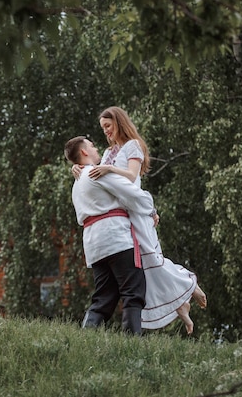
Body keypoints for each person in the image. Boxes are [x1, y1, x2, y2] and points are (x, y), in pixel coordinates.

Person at [73, 106, 206, 335]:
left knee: (151, 261)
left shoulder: (132, 146)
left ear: (119, 123)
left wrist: (106, 169)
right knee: (141, 273)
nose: (105, 132)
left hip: (133, 212)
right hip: (123, 216)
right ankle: (181, 302)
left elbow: (131, 177)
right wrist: (83, 167)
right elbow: (100, 179)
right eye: (102, 128)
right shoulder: (106, 155)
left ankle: (188, 288)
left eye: (108, 126)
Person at [64, 135, 155, 335]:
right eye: (92, 145)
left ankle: (86, 338)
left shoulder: (77, 182)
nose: (96, 148)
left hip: (93, 245)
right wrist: (151, 210)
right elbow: (131, 193)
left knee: (103, 297)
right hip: (116, 238)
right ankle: (132, 345)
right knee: (133, 291)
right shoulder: (97, 173)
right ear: (84, 152)